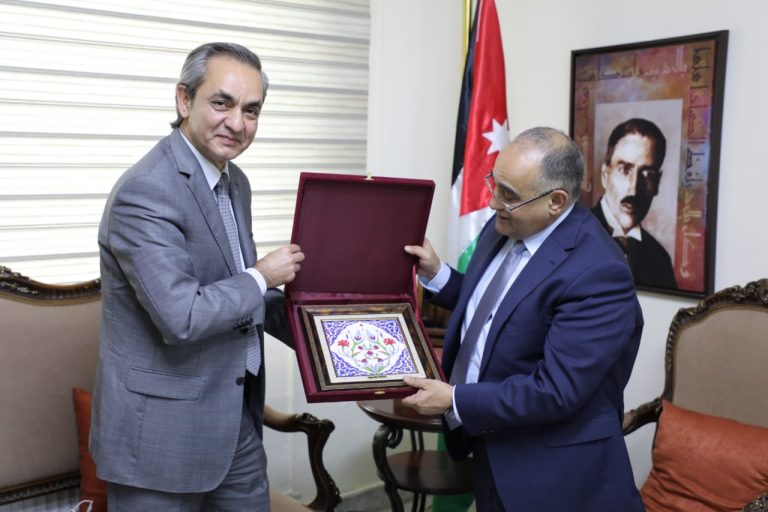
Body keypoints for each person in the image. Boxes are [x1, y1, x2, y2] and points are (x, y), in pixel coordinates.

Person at [90, 42, 305, 511]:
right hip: (161, 439)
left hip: (235, 421)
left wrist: (322, 323)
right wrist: (263, 276)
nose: (237, 123)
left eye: (251, 110)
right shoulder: (146, 190)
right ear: (184, 100)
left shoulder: (235, 181)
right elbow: (182, 315)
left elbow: (232, 290)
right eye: (222, 103)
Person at [402, 127, 644, 511]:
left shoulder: (599, 272)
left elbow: (555, 389)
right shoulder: (508, 222)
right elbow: (497, 310)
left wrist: (455, 399)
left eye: (509, 195)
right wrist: (437, 274)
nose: (493, 202)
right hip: (491, 444)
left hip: (554, 473)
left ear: (556, 201)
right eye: (494, 184)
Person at [592, 117, 677, 289]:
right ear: (605, 175)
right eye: (625, 170)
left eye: (647, 175)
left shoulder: (659, 259)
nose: (633, 190)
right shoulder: (571, 237)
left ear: (657, 183)